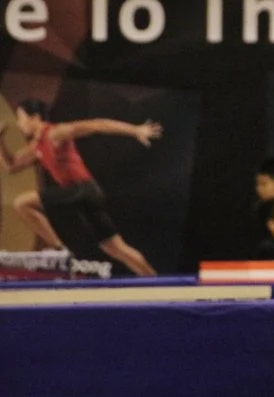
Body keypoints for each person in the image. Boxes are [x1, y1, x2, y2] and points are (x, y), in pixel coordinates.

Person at [0, 99, 161, 277]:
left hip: (83, 190)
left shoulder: (55, 133)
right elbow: (11, 166)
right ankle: (155, 281)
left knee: (22, 203)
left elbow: (97, 125)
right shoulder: (36, 146)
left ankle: (58, 249)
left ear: (35, 118)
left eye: (21, 118)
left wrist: (135, 130)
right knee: (115, 248)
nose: (19, 123)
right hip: (84, 195)